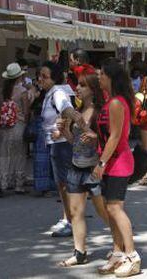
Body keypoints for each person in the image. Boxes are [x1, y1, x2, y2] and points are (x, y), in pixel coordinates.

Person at [57, 66, 109, 267]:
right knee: (75, 211)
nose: (77, 88)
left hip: (93, 169)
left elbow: (105, 141)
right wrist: (65, 132)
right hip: (75, 167)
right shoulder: (77, 112)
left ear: (92, 89)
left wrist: (92, 133)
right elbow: (75, 142)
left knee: (104, 211)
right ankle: (79, 252)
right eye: (77, 84)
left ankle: (120, 244)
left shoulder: (99, 112)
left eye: (82, 85)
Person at [94, 58, 141, 277]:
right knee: (110, 209)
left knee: (114, 209)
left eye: (102, 73)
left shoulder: (116, 102)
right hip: (112, 162)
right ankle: (117, 252)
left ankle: (132, 256)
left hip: (118, 163)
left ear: (111, 77)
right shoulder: (113, 100)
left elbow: (114, 137)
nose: (99, 77)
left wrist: (101, 162)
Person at [39, 61, 85, 237]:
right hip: (56, 144)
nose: (40, 79)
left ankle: (71, 221)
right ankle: (68, 217)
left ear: (54, 78)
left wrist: (65, 127)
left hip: (61, 145)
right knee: (62, 184)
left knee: (65, 184)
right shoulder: (52, 92)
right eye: (40, 76)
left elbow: (67, 109)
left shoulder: (57, 92)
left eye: (45, 76)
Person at [0, 63, 30, 196]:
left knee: (5, 154)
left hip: (4, 126)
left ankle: (4, 182)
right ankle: (18, 184)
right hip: (19, 124)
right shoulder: (22, 91)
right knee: (20, 154)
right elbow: (26, 111)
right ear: (19, 76)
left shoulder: (2, 90)